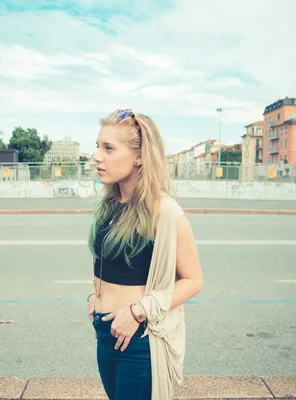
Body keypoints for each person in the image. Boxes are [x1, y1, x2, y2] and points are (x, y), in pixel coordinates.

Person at [87, 109, 203, 400]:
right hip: (105, 332)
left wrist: (137, 312)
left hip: (137, 338)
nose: (97, 156)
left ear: (139, 156)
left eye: (109, 148)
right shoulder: (110, 206)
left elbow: (193, 280)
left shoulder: (165, 212)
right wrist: (94, 296)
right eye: (97, 146)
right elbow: (106, 264)